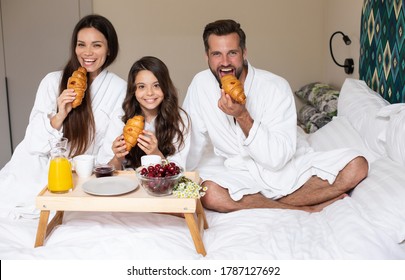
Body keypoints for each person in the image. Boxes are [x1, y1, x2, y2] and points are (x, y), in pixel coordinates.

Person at [182, 19, 368, 213]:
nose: (225, 62)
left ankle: (264, 203)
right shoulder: (200, 84)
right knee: (208, 192)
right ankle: (302, 207)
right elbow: (190, 140)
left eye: (233, 53)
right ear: (207, 57)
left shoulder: (275, 87)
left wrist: (242, 115)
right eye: (217, 54)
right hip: (236, 173)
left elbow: (276, 159)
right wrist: (170, 173)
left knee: (357, 166)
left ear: (244, 53)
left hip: (283, 170)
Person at [0, 14, 127, 218]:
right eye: (81, 44)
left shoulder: (119, 89)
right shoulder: (52, 82)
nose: (87, 53)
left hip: (83, 171)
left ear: (109, 48)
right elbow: (33, 143)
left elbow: (110, 149)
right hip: (39, 168)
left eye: (96, 45)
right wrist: (60, 114)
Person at [98, 56, 190, 170]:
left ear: (165, 87)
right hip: (127, 184)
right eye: (141, 87)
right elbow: (107, 170)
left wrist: (156, 153)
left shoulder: (180, 119)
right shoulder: (120, 116)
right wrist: (117, 158)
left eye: (156, 85)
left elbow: (179, 171)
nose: (150, 93)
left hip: (163, 185)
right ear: (133, 90)